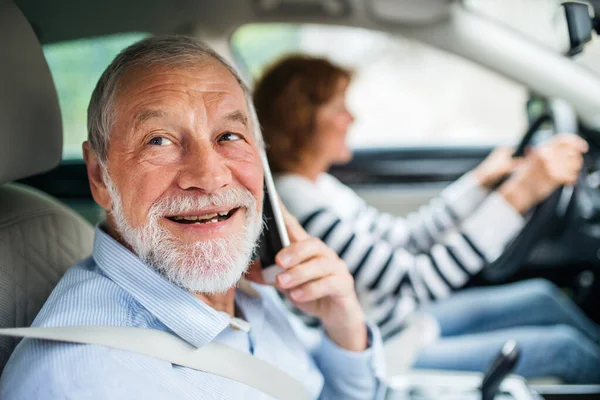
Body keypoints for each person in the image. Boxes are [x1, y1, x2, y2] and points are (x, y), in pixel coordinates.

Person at [0, 37, 387, 400]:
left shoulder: (247, 285)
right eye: (159, 140)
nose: (209, 176)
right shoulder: (89, 382)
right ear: (100, 176)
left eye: (229, 136)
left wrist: (344, 327)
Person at [254, 55, 600, 383]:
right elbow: (415, 282)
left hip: (404, 323)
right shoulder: (299, 201)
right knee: (565, 350)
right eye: (339, 107)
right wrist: (518, 196)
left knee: (542, 296)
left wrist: (480, 182)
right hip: (388, 350)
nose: (352, 118)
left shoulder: (319, 184)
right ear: (300, 118)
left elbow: (403, 237)